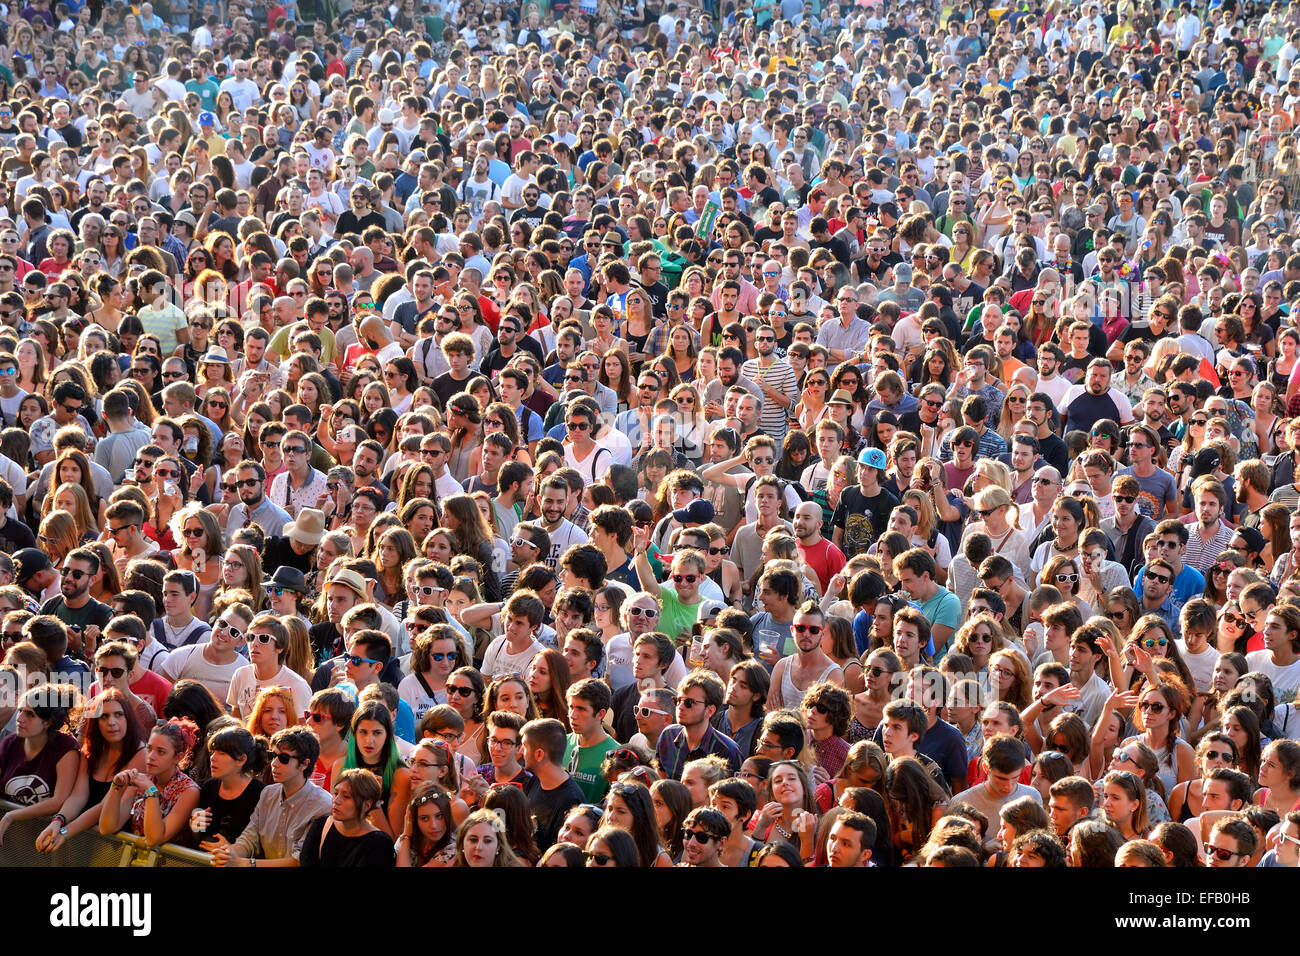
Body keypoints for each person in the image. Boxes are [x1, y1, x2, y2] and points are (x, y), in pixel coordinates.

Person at [208, 727, 332, 867]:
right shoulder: (268, 793)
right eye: (272, 755)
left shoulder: (322, 805)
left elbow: (298, 861)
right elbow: (249, 839)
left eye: (283, 758)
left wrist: (246, 864)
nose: (274, 764)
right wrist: (228, 853)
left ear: (305, 764)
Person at [299, 768, 396, 867]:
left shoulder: (380, 844)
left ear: (366, 805)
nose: (336, 801)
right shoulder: (320, 826)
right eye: (336, 793)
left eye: (346, 796)